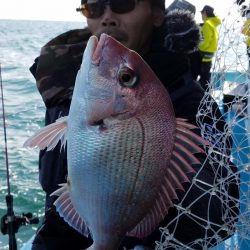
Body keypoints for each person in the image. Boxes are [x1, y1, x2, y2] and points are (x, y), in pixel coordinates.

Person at [29, 0, 239, 249]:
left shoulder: (189, 99)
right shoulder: (63, 80)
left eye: (123, 3)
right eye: (93, 8)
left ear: (158, 14)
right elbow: (52, 184)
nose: (107, 17)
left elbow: (220, 212)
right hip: (58, 237)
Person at [198, 5, 221, 90]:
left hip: (204, 56)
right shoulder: (212, 23)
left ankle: (202, 96)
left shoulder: (207, 24)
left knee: (203, 79)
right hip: (209, 55)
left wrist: (198, 47)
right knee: (206, 77)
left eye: (202, 13)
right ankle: (206, 94)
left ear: (205, 13)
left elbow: (206, 41)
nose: (201, 15)